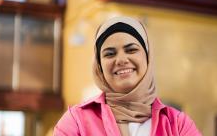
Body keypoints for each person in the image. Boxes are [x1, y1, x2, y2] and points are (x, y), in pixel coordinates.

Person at [54, 16, 202, 136]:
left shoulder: (178, 125)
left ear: (147, 57)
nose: (121, 60)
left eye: (131, 50)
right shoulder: (77, 121)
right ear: (99, 66)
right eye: (110, 54)